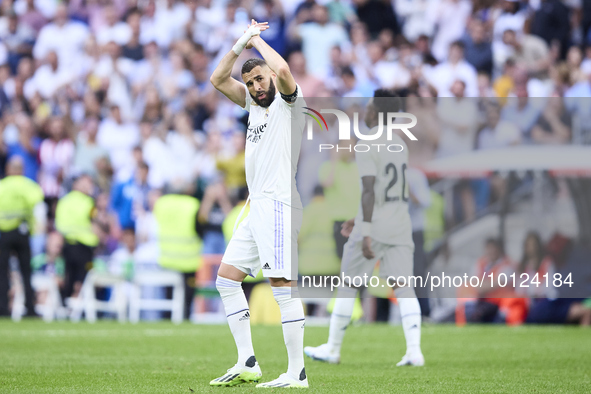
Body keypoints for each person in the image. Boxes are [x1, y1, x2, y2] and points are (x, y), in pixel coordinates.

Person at [209, 19, 308, 388]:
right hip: (256, 208)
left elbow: (282, 69)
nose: (255, 86)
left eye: (259, 80)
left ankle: (296, 372)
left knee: (283, 287)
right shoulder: (253, 104)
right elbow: (218, 80)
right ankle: (247, 361)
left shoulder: (289, 103)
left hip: (280, 205)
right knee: (226, 280)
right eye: (250, 82)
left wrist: (259, 41)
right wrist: (240, 43)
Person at [304, 90, 424, 367]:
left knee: (348, 284)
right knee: (404, 287)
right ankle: (414, 351)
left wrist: (365, 227)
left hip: (375, 225)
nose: (366, 112)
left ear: (377, 113)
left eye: (369, 108)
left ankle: (332, 349)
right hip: (399, 223)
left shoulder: (367, 144)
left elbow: (370, 191)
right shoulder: (399, 144)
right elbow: (387, 190)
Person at [0, 157, 44, 316]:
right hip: (23, 231)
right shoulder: (29, 185)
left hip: (4, 232)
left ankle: (3, 307)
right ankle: (30, 308)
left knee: (2, 271)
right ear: (22, 170)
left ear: (8, 169)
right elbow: (39, 205)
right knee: (26, 271)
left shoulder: (2, 185)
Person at [55, 174, 100, 300]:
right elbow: (95, 220)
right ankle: (80, 307)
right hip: (85, 247)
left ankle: (67, 305)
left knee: (69, 277)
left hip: (68, 245)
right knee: (85, 278)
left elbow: (59, 225)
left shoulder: (64, 201)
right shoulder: (88, 201)